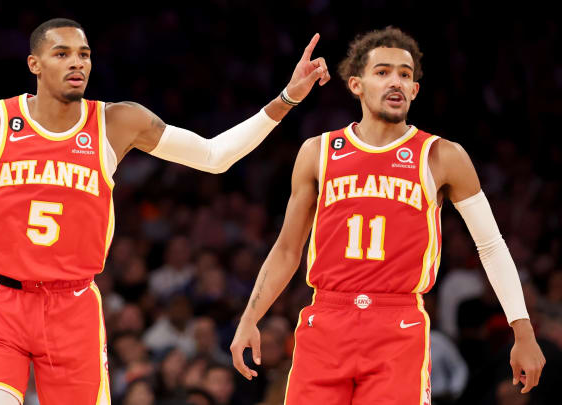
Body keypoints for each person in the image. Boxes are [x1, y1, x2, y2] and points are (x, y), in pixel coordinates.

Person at [0, 18, 331, 405]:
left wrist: (286, 99)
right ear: (34, 65)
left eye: (84, 54)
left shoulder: (117, 122)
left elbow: (215, 156)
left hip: (74, 306)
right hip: (2, 303)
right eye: (62, 54)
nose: (77, 62)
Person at [229, 26, 546, 404]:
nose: (395, 81)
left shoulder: (443, 155)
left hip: (397, 324)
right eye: (382, 72)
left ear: (414, 91)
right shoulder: (318, 151)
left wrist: (522, 331)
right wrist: (250, 317)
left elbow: (491, 247)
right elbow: (286, 250)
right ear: (356, 85)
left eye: (405, 74)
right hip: (326, 318)